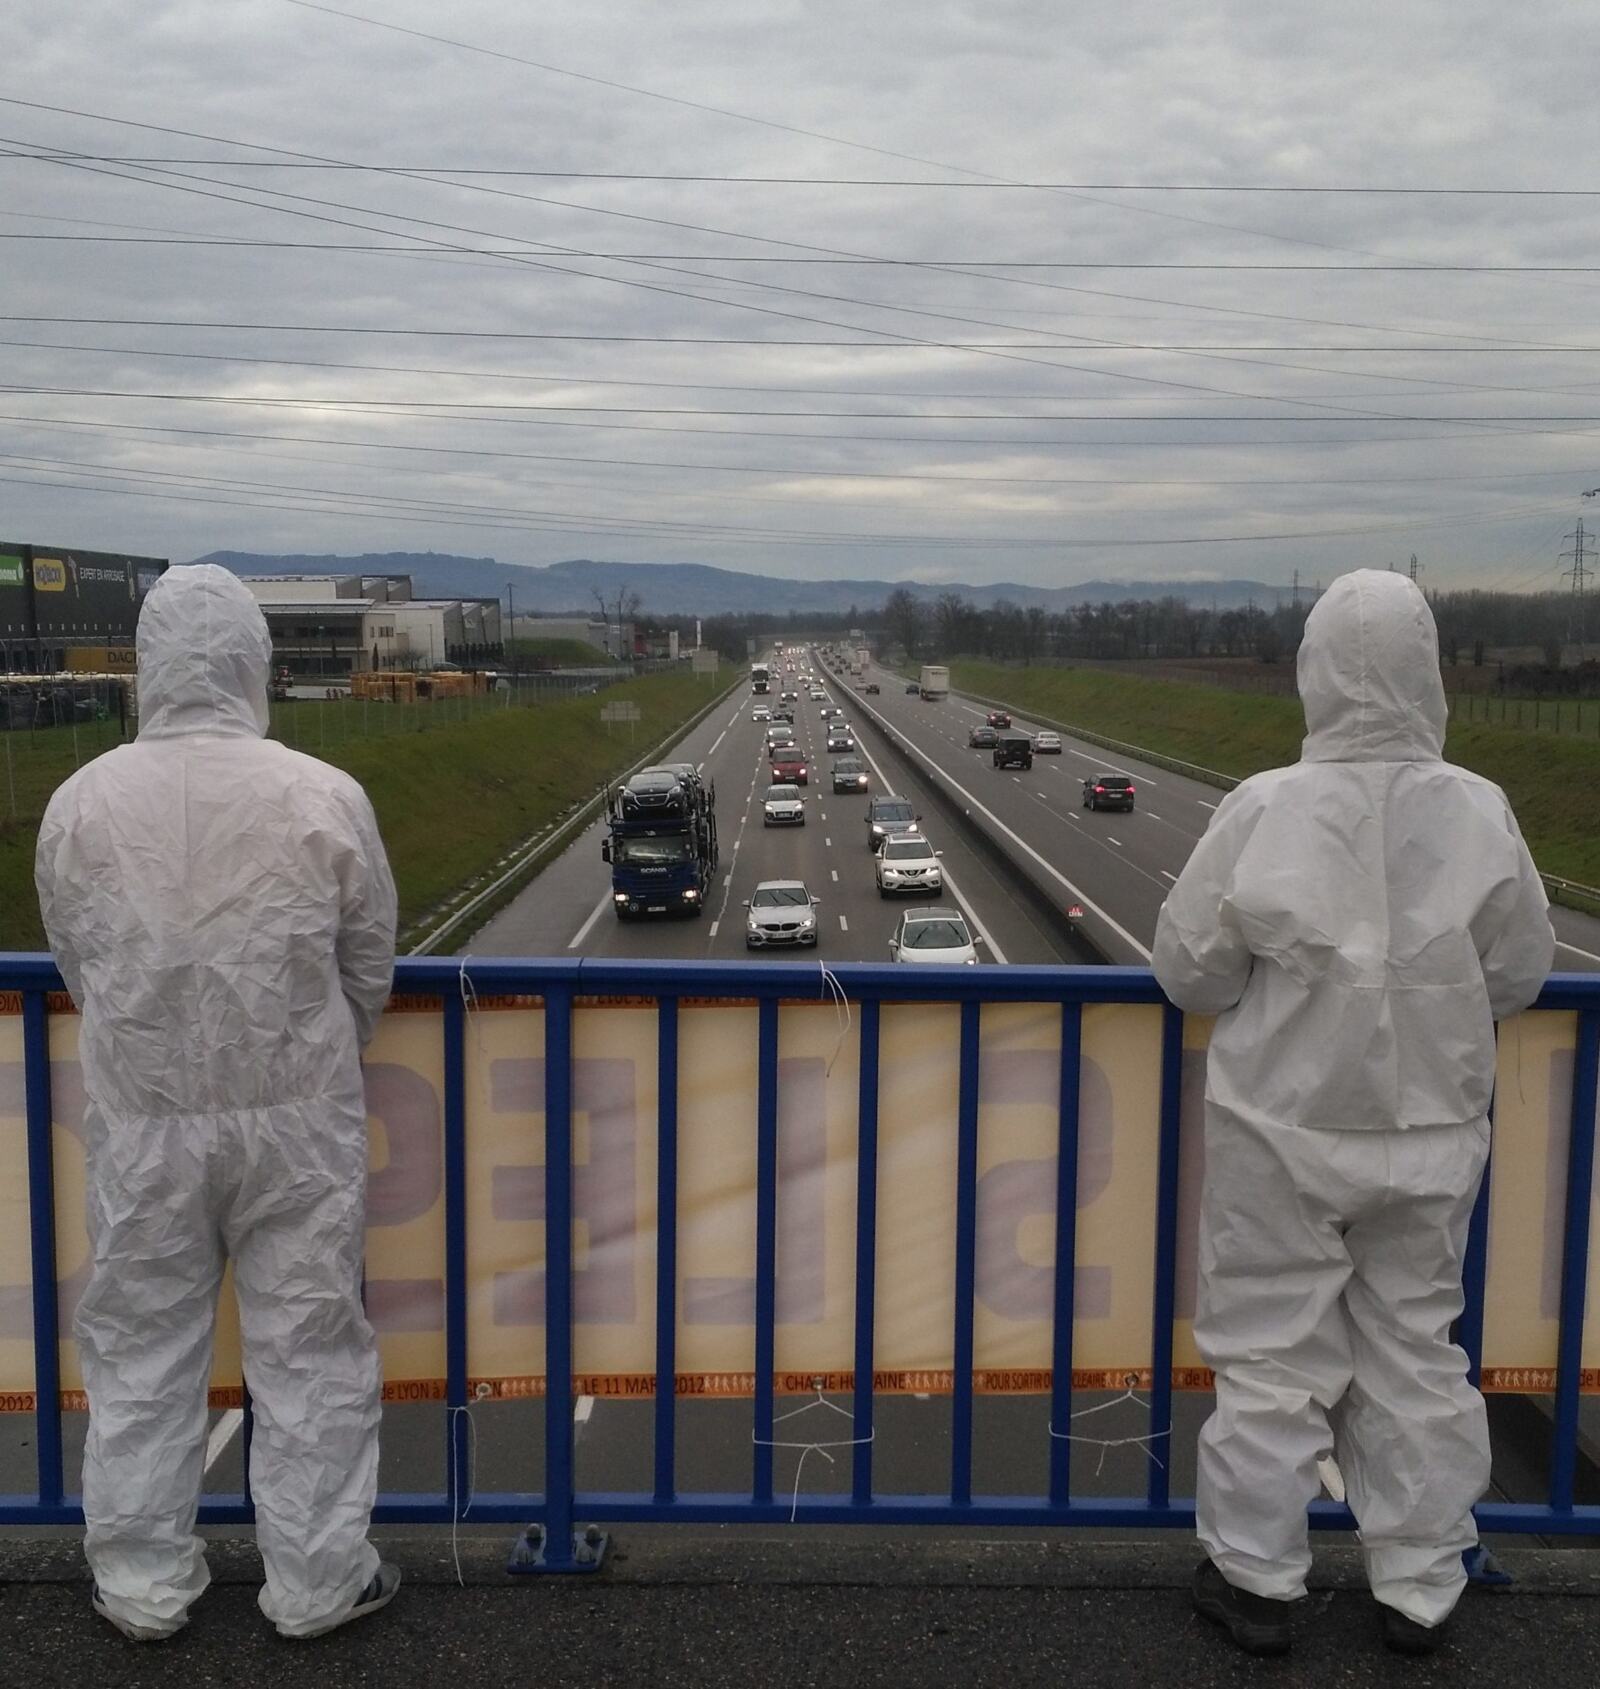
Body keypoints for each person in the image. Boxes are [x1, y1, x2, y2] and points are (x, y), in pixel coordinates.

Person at [1152, 569, 1553, 1658]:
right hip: (1430, 1136)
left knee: (1269, 1354)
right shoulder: (1479, 809)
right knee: (1415, 1349)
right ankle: (1420, 1584)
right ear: (1430, 674)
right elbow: (1517, 973)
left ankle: (1257, 1579)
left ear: (1313, 673)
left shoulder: (1262, 809)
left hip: (1279, 1133)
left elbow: (1190, 972)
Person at [35, 564, 400, 1642]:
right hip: (298, 1119)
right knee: (310, 1347)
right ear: (254, 663)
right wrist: (312, 1054)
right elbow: (367, 964)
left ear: (147, 666)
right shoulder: (322, 793)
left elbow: (78, 963)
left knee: (142, 1350)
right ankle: (319, 1581)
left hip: (143, 1120)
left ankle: (142, 1583)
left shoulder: (80, 802)